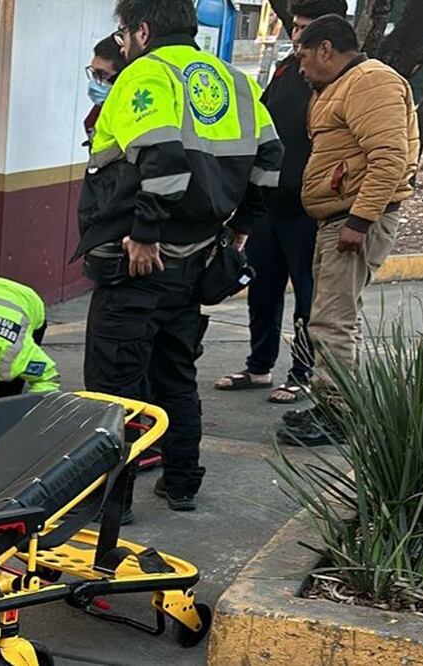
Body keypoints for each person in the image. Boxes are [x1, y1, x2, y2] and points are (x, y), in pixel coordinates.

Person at [71, 0, 282, 511]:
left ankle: (112, 503)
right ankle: (183, 481)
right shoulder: (234, 81)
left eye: (123, 33)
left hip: (136, 260)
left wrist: (145, 233)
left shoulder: (147, 74)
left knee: (114, 385)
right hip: (196, 260)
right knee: (175, 375)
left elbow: (163, 162)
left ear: (142, 30)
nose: (123, 43)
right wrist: (240, 227)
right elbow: (271, 159)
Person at [278, 15, 419, 447]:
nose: (300, 66)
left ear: (325, 48)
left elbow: (389, 158)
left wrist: (359, 221)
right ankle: (331, 405)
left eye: (303, 55)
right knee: (329, 317)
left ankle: (337, 415)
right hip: (338, 218)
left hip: (353, 220)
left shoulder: (370, 81)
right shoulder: (339, 86)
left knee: (333, 321)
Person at [214, 0, 347, 406]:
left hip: (310, 210)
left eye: (306, 29)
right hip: (269, 203)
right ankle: (259, 366)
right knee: (261, 288)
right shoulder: (289, 69)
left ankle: (302, 374)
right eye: (295, 27)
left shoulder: (343, 81)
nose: (297, 36)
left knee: (309, 299)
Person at [82, 36, 126, 151]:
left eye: (102, 74)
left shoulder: (133, 113)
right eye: (94, 74)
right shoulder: (92, 119)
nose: (96, 82)